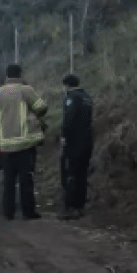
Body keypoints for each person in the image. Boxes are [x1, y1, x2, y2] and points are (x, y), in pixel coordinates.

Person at [0, 63, 49, 220]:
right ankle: (28, 212)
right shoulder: (25, 90)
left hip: (6, 145)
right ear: (20, 74)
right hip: (24, 144)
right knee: (26, 180)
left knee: (8, 182)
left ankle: (8, 213)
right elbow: (41, 107)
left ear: (7, 76)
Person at [58, 74, 94, 220]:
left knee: (71, 173)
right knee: (82, 174)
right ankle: (80, 206)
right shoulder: (87, 97)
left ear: (66, 85)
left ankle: (71, 208)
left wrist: (64, 136)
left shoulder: (72, 98)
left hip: (74, 143)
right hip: (87, 141)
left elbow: (69, 118)